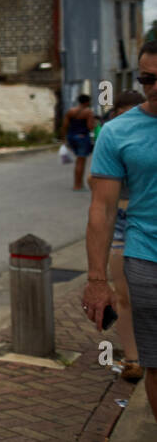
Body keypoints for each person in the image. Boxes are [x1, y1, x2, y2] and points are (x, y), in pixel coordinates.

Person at [83, 41, 157, 442]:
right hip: (148, 261)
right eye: (147, 79)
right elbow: (103, 207)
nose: (154, 88)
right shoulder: (119, 132)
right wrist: (96, 280)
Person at [93, 90, 147, 382]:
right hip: (122, 221)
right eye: (120, 118)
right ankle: (133, 358)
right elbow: (97, 191)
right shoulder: (112, 137)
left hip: (148, 220)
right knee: (124, 296)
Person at [61, 93, 97, 190]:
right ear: (87, 102)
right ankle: (78, 185)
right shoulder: (88, 112)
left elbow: (65, 125)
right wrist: (94, 123)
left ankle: (77, 183)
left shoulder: (70, 111)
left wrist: (64, 139)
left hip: (71, 137)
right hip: (82, 137)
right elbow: (90, 127)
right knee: (81, 161)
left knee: (78, 160)